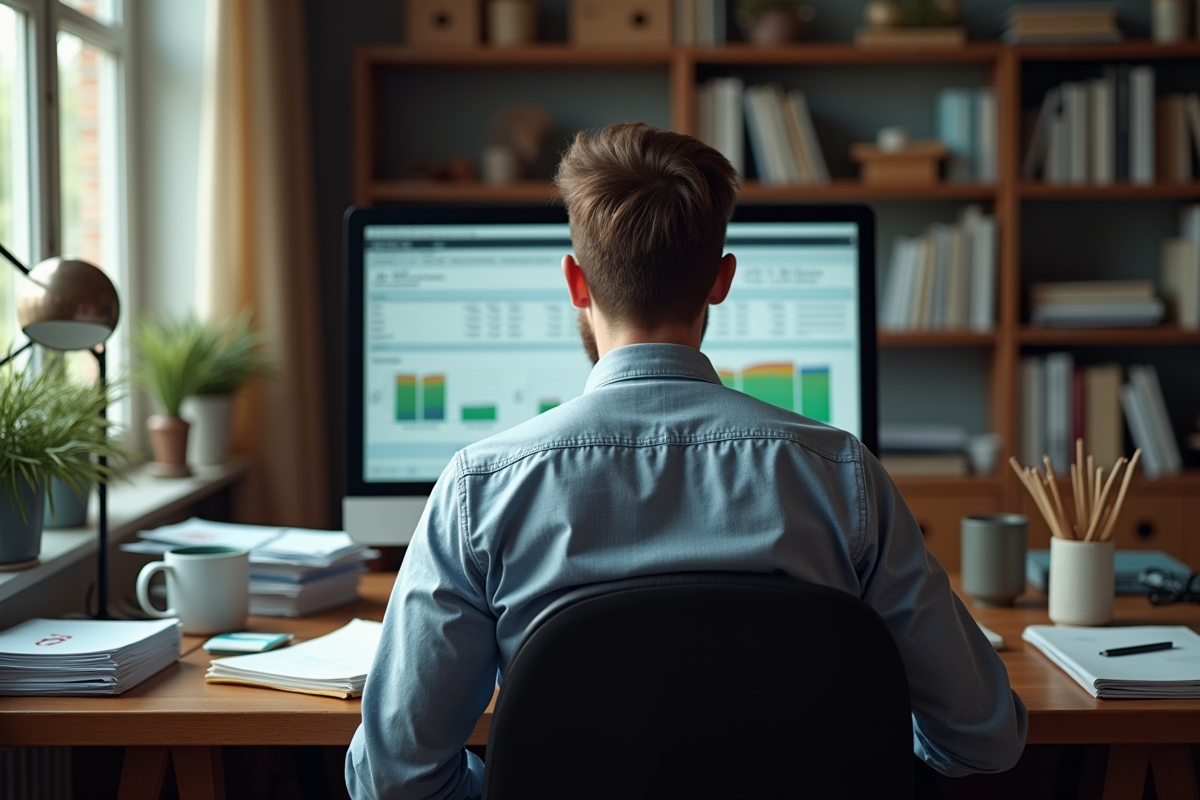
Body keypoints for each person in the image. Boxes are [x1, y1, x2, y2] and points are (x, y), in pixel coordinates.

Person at [345, 122, 1027, 800]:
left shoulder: (480, 490)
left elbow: (392, 780)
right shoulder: (841, 474)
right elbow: (983, 737)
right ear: (721, 280)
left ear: (576, 283)